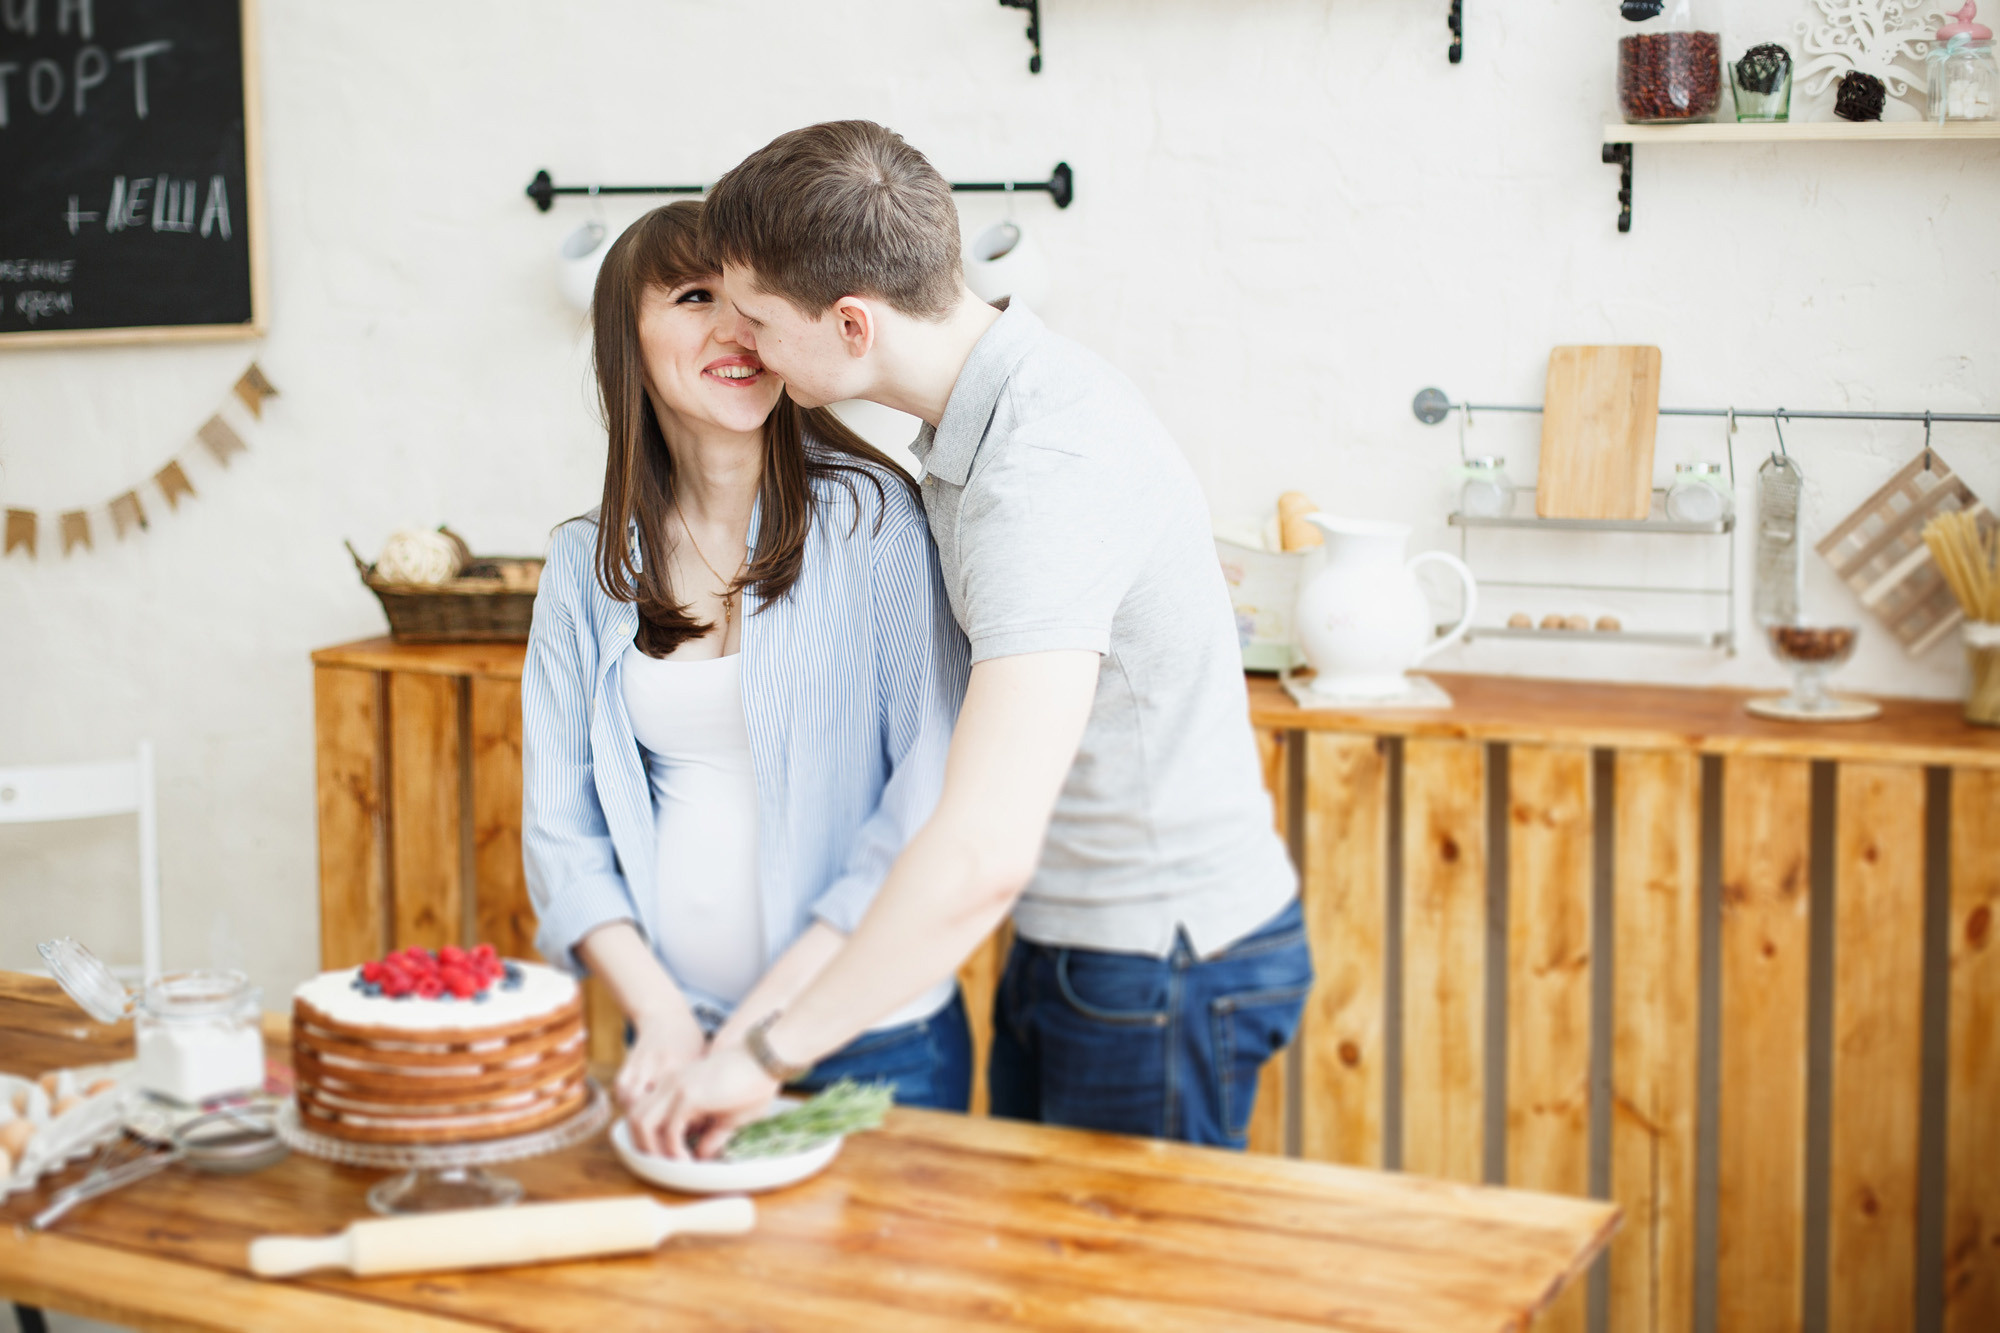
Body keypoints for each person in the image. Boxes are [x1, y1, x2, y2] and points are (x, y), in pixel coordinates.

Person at [649, 121, 1310, 1158]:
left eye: (759, 320)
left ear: (852, 325)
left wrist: (766, 1054)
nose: (744, 344)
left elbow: (983, 852)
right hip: (1083, 938)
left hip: (1160, 956)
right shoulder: (1004, 409)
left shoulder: (1039, 471)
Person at [521, 200, 973, 1152]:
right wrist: (666, 1018)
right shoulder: (585, 565)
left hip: (871, 1040)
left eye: (750, 302)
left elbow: (926, 798)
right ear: (625, 339)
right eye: (695, 297)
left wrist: (758, 1037)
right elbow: (561, 829)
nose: (737, 330)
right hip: (677, 1038)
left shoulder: (873, 520)